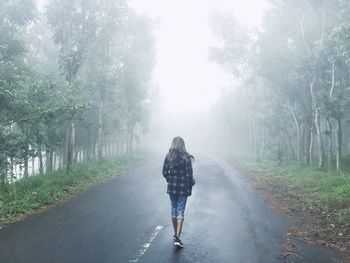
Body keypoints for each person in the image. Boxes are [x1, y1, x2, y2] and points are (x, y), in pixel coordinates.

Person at [162, 136, 194, 248]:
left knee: (174, 209)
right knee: (180, 210)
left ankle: (175, 235)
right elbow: (189, 176)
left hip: (172, 188)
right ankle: (177, 236)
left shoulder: (169, 157)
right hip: (183, 188)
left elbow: (164, 172)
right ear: (183, 145)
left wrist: (170, 180)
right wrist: (189, 186)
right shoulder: (187, 158)